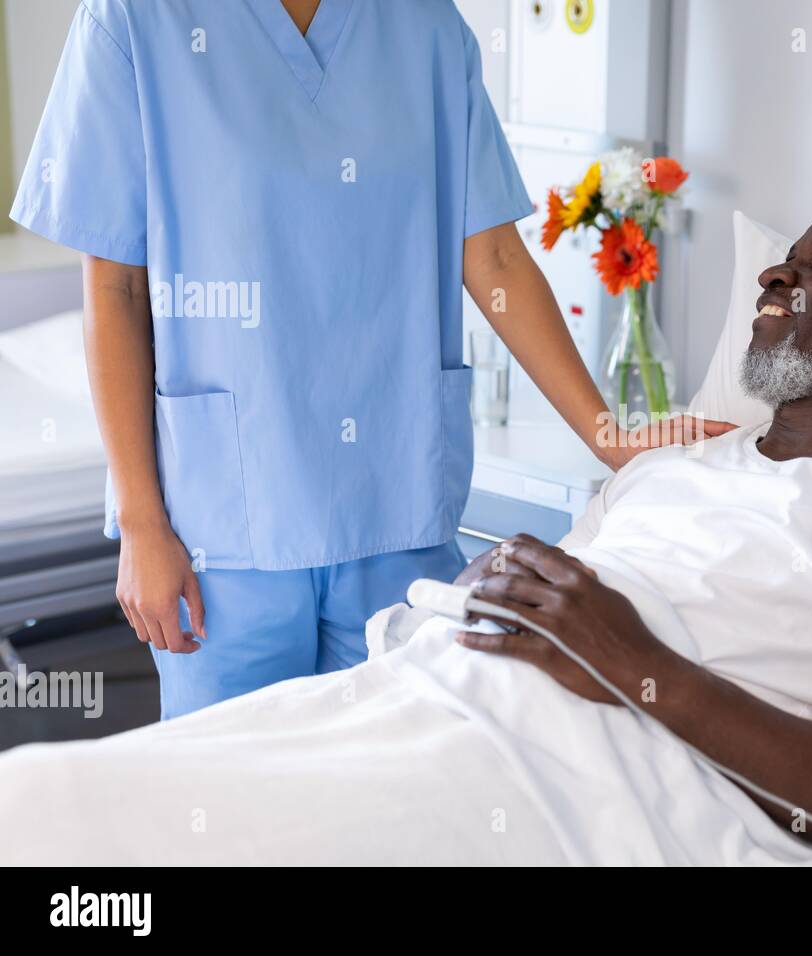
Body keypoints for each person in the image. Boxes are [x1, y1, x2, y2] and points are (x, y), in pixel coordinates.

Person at [9, 0, 728, 718]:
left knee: (395, 801)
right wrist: (140, 524)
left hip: (396, 518)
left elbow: (496, 256)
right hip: (224, 539)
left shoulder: (425, 28)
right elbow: (115, 287)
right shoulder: (136, 22)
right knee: (232, 811)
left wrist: (608, 437)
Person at [454, 208, 812, 861]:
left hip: (555, 789)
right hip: (446, 699)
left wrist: (639, 668)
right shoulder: (668, 463)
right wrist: (489, 584)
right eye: (789, 255)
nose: (774, 273)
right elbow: (560, 606)